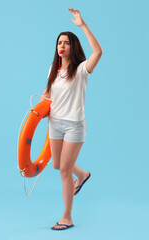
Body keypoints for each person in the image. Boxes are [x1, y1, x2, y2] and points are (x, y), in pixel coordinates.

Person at [40, 8, 102, 230]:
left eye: (66, 42)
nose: (62, 46)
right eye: (59, 42)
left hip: (74, 126)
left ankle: (67, 217)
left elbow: (98, 52)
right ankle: (83, 174)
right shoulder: (53, 70)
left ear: (72, 47)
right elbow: (48, 96)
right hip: (54, 124)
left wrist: (83, 26)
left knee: (64, 171)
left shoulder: (82, 69)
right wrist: (37, 113)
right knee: (57, 165)